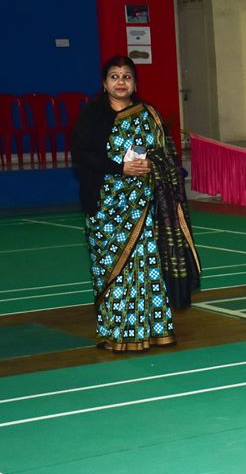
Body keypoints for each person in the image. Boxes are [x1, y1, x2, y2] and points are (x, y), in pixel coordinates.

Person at [72, 56, 200, 351]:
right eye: (114, 76)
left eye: (126, 76)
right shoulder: (92, 115)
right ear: (104, 84)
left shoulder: (148, 114)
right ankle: (115, 332)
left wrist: (151, 164)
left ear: (135, 83)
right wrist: (121, 169)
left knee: (146, 267)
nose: (120, 82)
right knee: (109, 269)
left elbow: (166, 156)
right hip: (105, 204)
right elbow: (81, 155)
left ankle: (154, 330)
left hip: (143, 203)